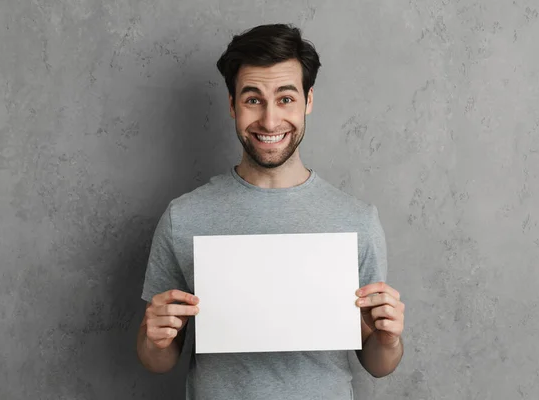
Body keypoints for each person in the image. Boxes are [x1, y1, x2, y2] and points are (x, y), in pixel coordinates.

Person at [136, 23, 405, 400]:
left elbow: (377, 363)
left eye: (285, 98)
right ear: (232, 105)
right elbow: (158, 360)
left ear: (308, 100)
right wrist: (154, 336)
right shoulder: (185, 217)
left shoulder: (356, 220)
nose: (270, 121)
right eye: (252, 99)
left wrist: (389, 340)